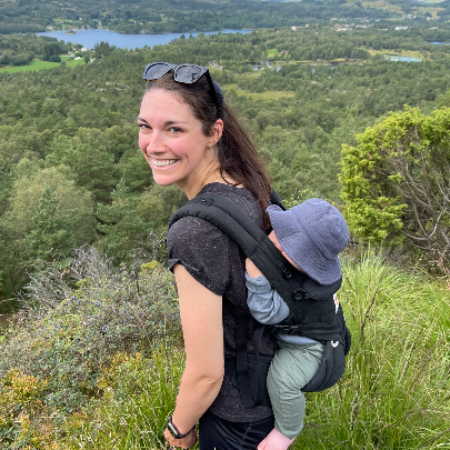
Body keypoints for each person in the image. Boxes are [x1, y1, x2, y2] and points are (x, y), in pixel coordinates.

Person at [138, 62, 277, 450]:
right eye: (145, 126)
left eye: (174, 129)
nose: (154, 144)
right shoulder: (247, 185)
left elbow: (206, 374)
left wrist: (178, 430)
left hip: (236, 420)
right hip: (270, 393)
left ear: (214, 132)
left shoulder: (195, 231)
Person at [245, 198, 350, 450]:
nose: (276, 245)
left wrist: (255, 274)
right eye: (280, 232)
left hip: (308, 348)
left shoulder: (298, 291)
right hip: (318, 331)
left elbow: (266, 312)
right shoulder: (299, 269)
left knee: (282, 380)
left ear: (307, 266)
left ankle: (287, 432)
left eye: (288, 251)